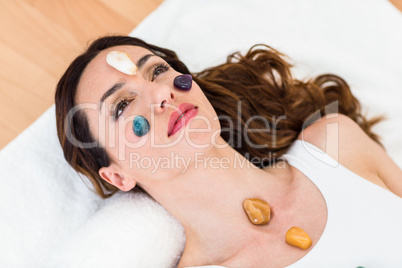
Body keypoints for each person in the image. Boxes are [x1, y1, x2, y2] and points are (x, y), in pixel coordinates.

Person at [55, 35, 402, 267]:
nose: (161, 95)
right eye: (122, 105)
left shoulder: (335, 143)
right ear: (118, 176)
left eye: (158, 71)